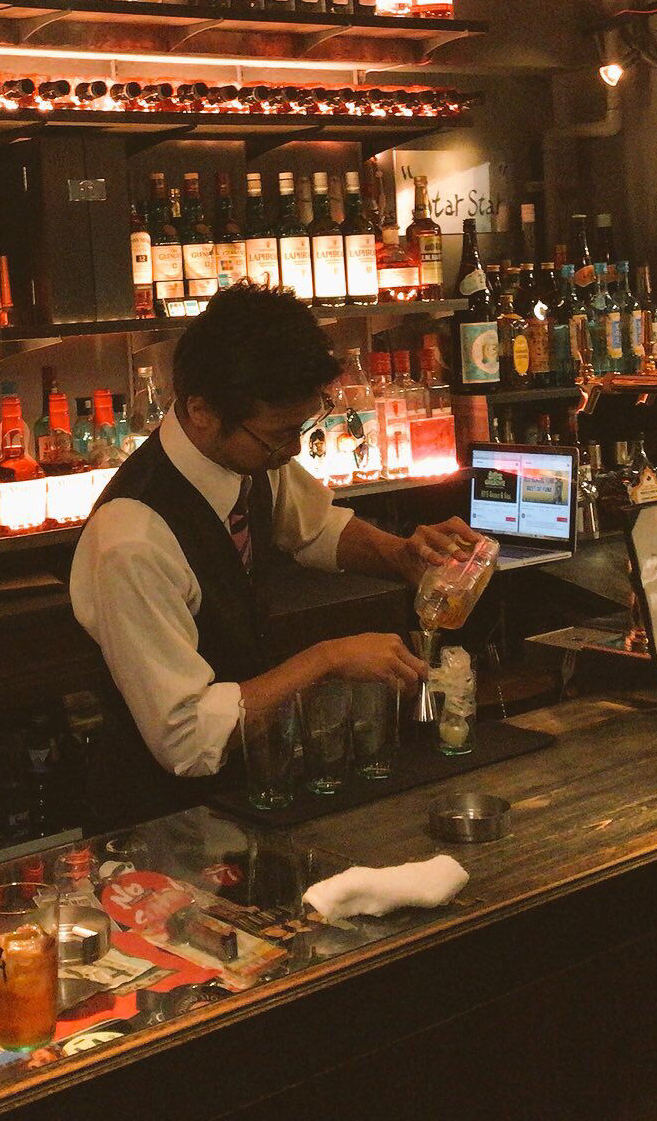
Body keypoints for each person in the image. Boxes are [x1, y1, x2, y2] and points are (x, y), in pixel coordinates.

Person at [71, 283, 484, 820]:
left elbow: (314, 527)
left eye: (302, 428)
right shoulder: (132, 540)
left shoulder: (247, 457)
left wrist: (401, 554)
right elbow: (186, 738)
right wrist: (327, 660)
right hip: (163, 818)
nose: (292, 450)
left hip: (252, 787)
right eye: (280, 435)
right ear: (201, 410)